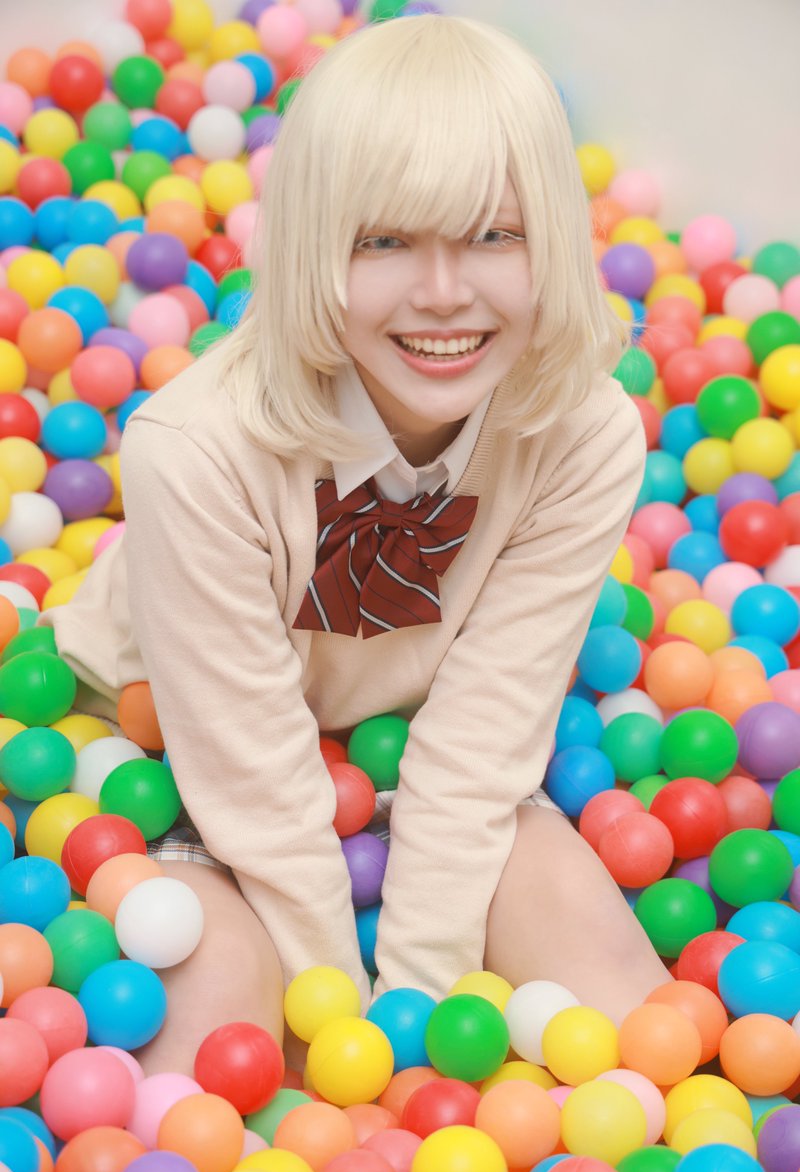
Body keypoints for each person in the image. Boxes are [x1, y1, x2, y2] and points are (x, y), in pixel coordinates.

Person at [39, 13, 671, 1075]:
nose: (443, 292)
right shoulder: (195, 450)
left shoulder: (585, 433)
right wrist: (343, 1035)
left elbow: (479, 740)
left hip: (403, 743)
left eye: (494, 235)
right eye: (384, 241)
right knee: (226, 1042)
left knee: (627, 1019)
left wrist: (415, 1007)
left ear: (556, 241)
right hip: (162, 750)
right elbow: (251, 780)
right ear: (309, 249)